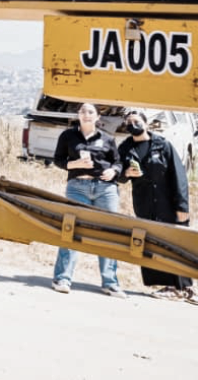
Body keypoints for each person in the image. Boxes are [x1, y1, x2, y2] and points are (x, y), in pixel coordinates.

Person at [117, 110, 195, 303]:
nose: (132, 124)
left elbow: (179, 177)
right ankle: (168, 287)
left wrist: (182, 205)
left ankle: (185, 287)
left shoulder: (163, 145)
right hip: (144, 204)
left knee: (174, 242)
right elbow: (118, 173)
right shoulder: (125, 148)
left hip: (167, 202)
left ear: (146, 123)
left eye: (136, 121)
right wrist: (126, 173)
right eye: (129, 122)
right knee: (152, 242)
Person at [50, 103, 125, 297]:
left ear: (98, 117)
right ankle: (62, 279)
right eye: (82, 111)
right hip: (78, 188)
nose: (86, 114)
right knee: (70, 229)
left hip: (105, 189)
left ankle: (110, 282)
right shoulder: (68, 136)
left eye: (90, 112)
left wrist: (113, 171)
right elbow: (58, 160)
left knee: (109, 232)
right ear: (78, 115)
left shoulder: (107, 138)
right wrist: (74, 164)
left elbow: (117, 162)